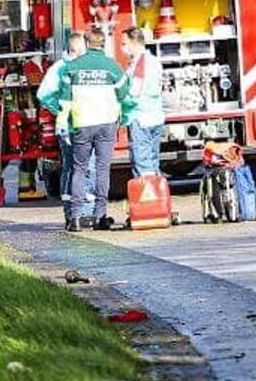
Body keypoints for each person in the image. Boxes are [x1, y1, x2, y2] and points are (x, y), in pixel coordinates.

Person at [40, 28, 132, 232]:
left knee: (78, 169)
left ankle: (75, 217)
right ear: (104, 43)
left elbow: (64, 100)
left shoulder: (72, 68)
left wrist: (62, 124)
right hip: (106, 124)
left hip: (81, 124)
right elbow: (124, 94)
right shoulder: (112, 67)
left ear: (87, 43)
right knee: (102, 169)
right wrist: (123, 116)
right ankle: (100, 215)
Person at [37, 33, 86, 205]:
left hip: (79, 124)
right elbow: (43, 94)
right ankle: (73, 207)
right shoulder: (60, 68)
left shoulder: (66, 66)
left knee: (74, 167)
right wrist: (59, 109)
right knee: (74, 167)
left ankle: (75, 206)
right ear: (77, 49)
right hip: (71, 127)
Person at [121, 26, 166, 178]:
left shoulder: (140, 65)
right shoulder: (154, 61)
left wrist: (119, 104)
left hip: (141, 119)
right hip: (156, 117)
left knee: (142, 163)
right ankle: (158, 197)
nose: (123, 48)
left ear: (134, 42)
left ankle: (148, 199)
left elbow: (134, 93)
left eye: (124, 44)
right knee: (153, 162)